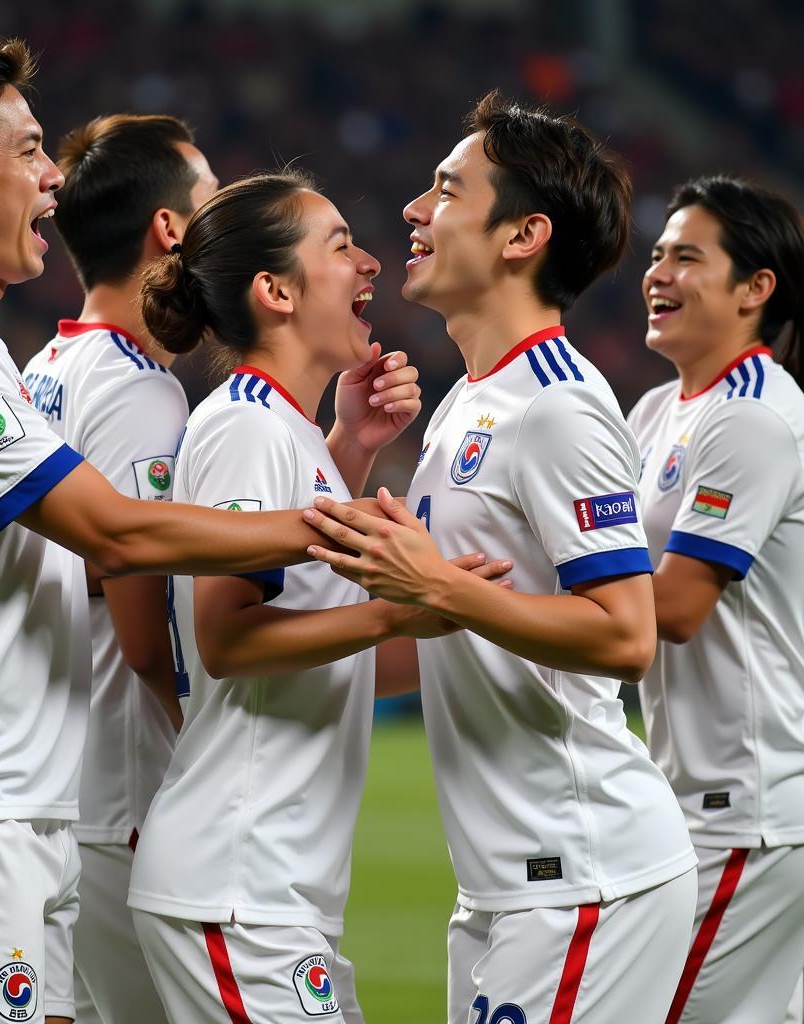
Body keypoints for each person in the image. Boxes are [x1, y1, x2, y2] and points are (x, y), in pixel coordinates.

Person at [0, 38, 399, 1024]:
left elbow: (73, 562)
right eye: (31, 151)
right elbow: (119, 541)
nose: (54, 179)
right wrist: (331, 533)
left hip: (9, 799)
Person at [304, 92, 699, 1023]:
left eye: (446, 190)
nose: (413, 211)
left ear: (523, 236)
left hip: (584, 878)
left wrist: (433, 581)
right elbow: (451, 637)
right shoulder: (467, 405)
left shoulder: (558, 406)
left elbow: (626, 633)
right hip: (507, 885)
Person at [125, 171, 496, 1024]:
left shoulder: (286, 431)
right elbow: (229, 639)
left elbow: (339, 661)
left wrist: (349, 452)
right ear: (276, 291)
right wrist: (399, 607)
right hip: (237, 883)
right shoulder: (249, 425)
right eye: (339, 246)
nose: (370, 263)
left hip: (268, 888)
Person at [22, 112, 216, 1024]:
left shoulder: (44, 367)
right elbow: (147, 638)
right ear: (169, 231)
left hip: (60, 780)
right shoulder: (141, 392)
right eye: (212, 199)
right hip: (128, 793)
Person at [627, 175, 804, 1024]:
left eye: (687, 257)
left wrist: (466, 596)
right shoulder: (660, 409)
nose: (657, 273)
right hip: (702, 792)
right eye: (657, 255)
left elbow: (675, 609)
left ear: (754, 288)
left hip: (748, 802)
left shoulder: (755, 415)